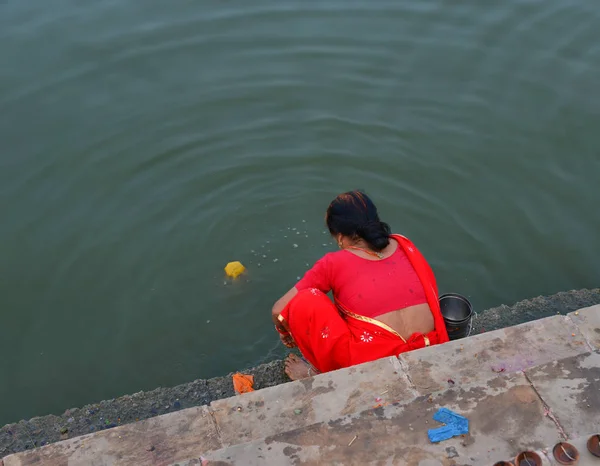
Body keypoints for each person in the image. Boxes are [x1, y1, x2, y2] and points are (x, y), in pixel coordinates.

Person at [272, 190, 449, 380]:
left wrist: (285, 331)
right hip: (429, 344)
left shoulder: (332, 263)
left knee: (306, 300)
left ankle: (317, 375)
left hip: (374, 363)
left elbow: (278, 310)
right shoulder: (403, 244)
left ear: (340, 237)